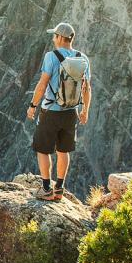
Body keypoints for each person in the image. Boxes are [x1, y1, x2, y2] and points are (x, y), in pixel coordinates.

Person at [25, 22, 91, 201]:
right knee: (64, 151)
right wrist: (85, 110)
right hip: (71, 112)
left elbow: (42, 83)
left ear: (61, 38)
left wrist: (33, 106)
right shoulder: (82, 58)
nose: (53, 38)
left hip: (51, 112)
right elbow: (87, 88)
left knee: (43, 150)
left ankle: (46, 188)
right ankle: (59, 189)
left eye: (55, 35)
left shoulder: (51, 57)